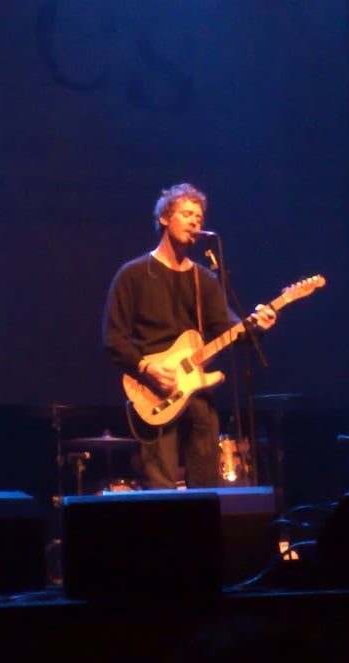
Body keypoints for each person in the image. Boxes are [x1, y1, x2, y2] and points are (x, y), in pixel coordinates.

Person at [103, 183, 276, 489]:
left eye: (199, 216)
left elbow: (227, 329)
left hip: (196, 392)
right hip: (154, 391)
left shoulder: (204, 278)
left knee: (205, 488)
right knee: (162, 488)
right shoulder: (133, 274)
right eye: (187, 214)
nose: (196, 221)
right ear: (165, 218)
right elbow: (113, 338)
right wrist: (146, 368)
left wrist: (256, 326)